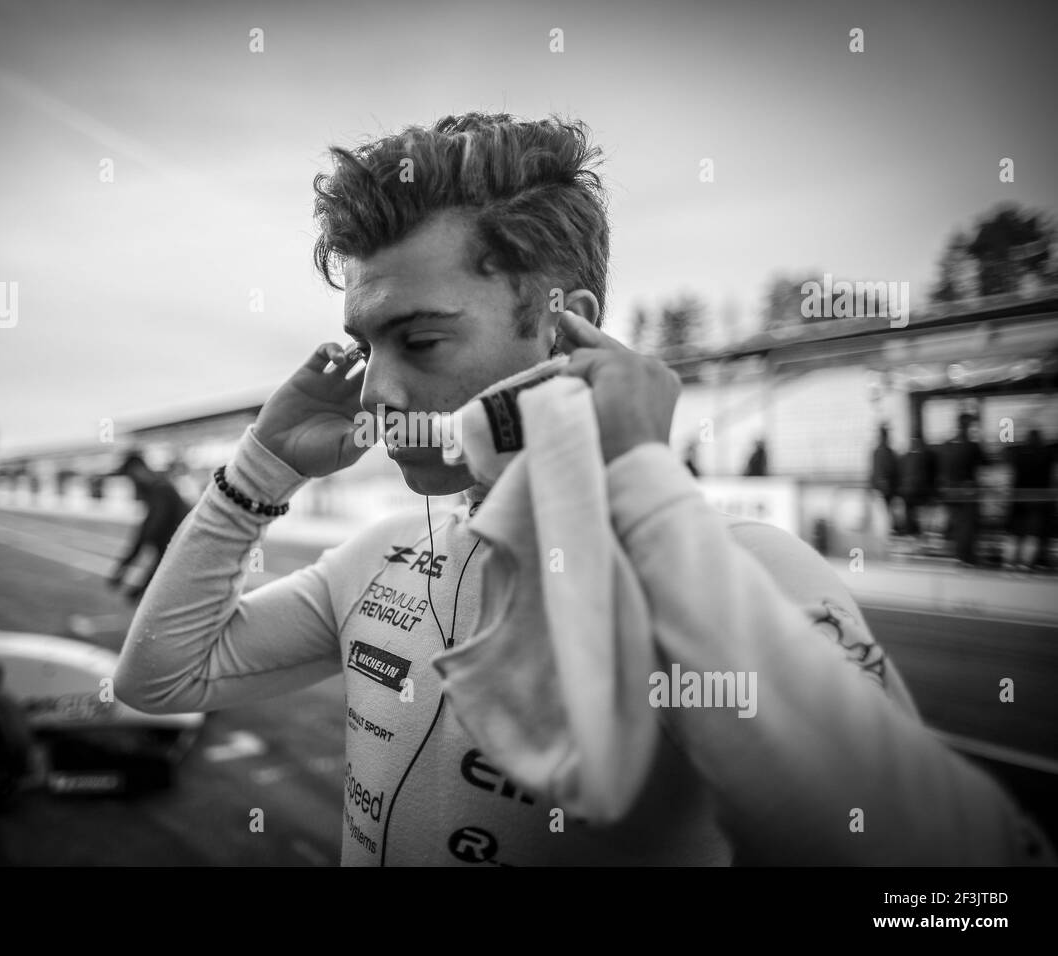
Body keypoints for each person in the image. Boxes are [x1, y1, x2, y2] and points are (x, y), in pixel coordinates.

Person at [115, 112, 1051, 866]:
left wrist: (640, 486)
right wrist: (261, 467)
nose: (378, 391)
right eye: (367, 348)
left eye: (423, 340)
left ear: (563, 332)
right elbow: (160, 677)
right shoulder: (381, 557)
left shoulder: (740, 572)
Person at [107, 452, 191, 604]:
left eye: (131, 476)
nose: (132, 482)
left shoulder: (160, 490)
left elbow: (151, 531)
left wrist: (124, 569)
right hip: (178, 548)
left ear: (138, 470)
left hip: (185, 549)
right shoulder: (157, 489)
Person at [939, 413, 987, 566]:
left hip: (951, 493)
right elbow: (985, 462)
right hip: (967, 493)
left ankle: (959, 554)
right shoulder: (972, 446)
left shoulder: (947, 444)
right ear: (968, 426)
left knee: (958, 524)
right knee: (968, 526)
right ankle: (966, 556)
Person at [1006, 428, 1053, 570]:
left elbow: (1008, 452)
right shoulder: (1046, 455)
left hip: (1018, 500)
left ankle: (1009, 561)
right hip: (1038, 501)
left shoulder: (1018, 454)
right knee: (1033, 533)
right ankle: (1026, 563)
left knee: (1015, 533)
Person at [898, 434, 937, 538]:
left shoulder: (905, 456)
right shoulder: (926, 456)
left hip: (908, 491)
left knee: (911, 513)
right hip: (920, 492)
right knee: (921, 514)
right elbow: (931, 475)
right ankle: (919, 532)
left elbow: (900, 473)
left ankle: (911, 531)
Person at [870, 425, 899, 532]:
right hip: (883, 489)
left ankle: (888, 531)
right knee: (883, 515)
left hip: (884, 489)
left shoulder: (881, 452)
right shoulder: (882, 452)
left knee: (885, 515)